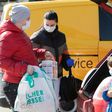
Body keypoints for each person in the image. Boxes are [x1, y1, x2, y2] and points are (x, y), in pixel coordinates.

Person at [0, 4, 54, 112]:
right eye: (28, 18)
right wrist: (24, 68)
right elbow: (2, 61)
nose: (29, 20)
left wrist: (42, 53)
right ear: (21, 18)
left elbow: (25, 52)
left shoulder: (20, 33)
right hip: (14, 85)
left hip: (24, 82)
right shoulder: (8, 36)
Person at [31, 10, 74, 108]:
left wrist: (69, 62)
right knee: (45, 102)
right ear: (43, 22)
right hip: (42, 76)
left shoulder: (61, 36)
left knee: (55, 100)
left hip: (57, 74)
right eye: (47, 24)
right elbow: (30, 53)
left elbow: (65, 52)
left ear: (56, 23)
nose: (49, 27)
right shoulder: (37, 36)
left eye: (52, 25)